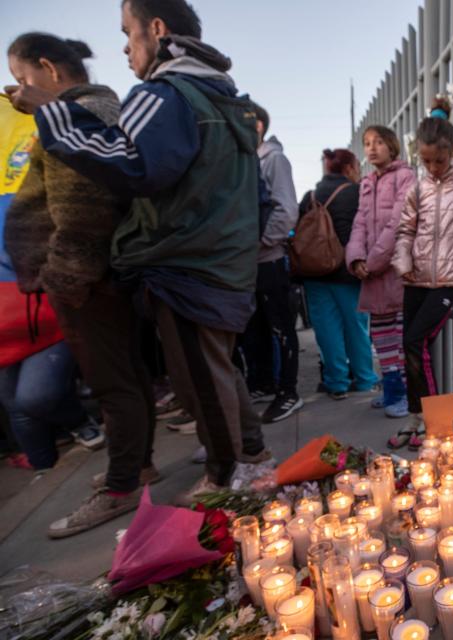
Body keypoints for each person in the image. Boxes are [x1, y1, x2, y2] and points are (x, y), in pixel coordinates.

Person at [5, 0, 270, 506]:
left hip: (188, 263)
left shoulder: (166, 92)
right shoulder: (219, 95)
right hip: (217, 262)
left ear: (156, 28)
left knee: (200, 385)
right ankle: (246, 465)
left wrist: (52, 112)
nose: (124, 48)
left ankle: (230, 484)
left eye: (128, 34)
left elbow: (131, 163)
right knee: (212, 375)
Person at [5, 33, 163, 537]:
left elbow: (81, 209)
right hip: (104, 272)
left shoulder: (73, 114)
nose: (17, 90)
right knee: (130, 376)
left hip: (88, 277)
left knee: (114, 384)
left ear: (48, 68)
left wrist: (64, 276)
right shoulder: (93, 109)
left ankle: (120, 488)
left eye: (22, 78)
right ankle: (137, 467)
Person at [0, 91, 102, 480]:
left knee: (34, 395)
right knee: (14, 401)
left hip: (37, 301)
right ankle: (44, 471)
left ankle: (82, 423)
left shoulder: (39, 134)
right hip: (9, 316)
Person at [391, 98, 453, 449]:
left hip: (448, 280)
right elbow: (405, 231)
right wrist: (403, 261)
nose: (432, 167)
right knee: (408, 346)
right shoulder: (418, 188)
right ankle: (416, 416)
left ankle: (431, 423)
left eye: (439, 160)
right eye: (425, 160)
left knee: (416, 341)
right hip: (415, 279)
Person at [346, 125, 416, 419]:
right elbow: (359, 223)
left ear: (392, 145)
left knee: (399, 337)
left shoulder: (405, 177)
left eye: (378, 142)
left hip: (395, 271)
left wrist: (371, 262)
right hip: (374, 275)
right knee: (381, 336)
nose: (371, 148)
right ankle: (390, 388)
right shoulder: (366, 182)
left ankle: (403, 394)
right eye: (367, 143)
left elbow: (398, 224)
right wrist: (356, 257)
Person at [298, 148, 380, 401]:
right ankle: (365, 379)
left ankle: (336, 382)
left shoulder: (310, 196)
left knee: (326, 329)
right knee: (356, 327)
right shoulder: (355, 193)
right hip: (347, 272)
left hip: (314, 272)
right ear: (348, 169)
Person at [240, 102, 302, 423]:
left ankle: (288, 391)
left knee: (281, 328)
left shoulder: (273, 159)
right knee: (255, 329)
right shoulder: (247, 160)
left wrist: (261, 242)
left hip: (269, 260)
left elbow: (286, 209)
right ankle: (262, 383)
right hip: (251, 262)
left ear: (257, 126)